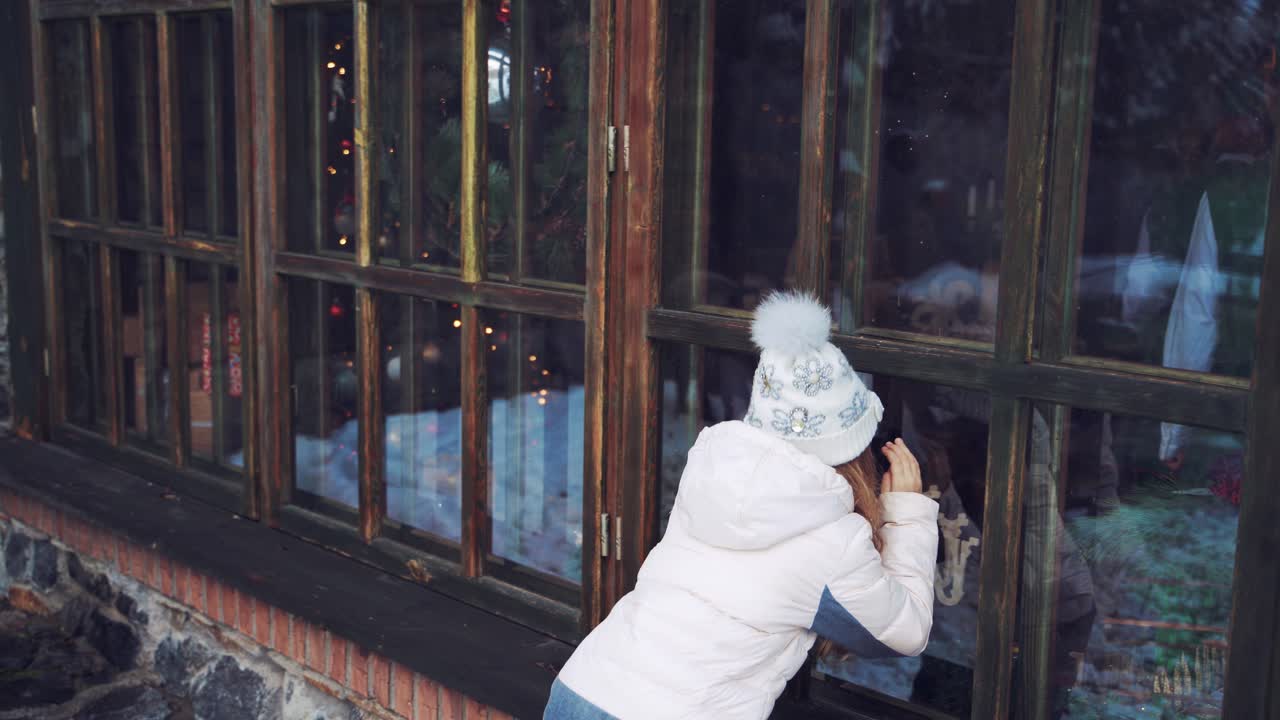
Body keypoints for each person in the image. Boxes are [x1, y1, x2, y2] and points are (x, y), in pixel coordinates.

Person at [544, 292, 940, 719]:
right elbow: (905, 633)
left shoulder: (712, 475)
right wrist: (908, 512)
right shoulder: (833, 542)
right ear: (854, 448)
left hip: (583, 690)